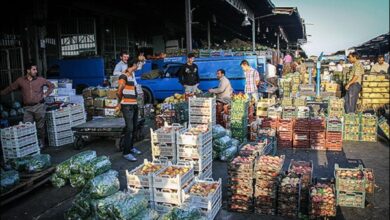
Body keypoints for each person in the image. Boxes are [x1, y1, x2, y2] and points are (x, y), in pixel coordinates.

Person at [0, 63, 54, 148]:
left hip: (39, 106)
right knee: (27, 126)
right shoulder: (20, 81)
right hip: (27, 108)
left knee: (40, 126)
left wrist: (46, 94)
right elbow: (10, 88)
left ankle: (42, 142)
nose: (36, 71)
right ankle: (31, 143)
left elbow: (51, 86)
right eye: (34, 69)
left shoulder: (40, 80)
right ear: (28, 70)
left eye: (36, 69)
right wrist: (2, 93)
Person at [116, 58, 142, 161]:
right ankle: (126, 152)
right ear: (134, 65)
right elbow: (119, 92)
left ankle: (131, 148)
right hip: (126, 106)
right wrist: (119, 104)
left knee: (134, 127)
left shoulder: (132, 76)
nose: (138, 67)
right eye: (137, 65)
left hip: (134, 104)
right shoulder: (124, 76)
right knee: (129, 128)